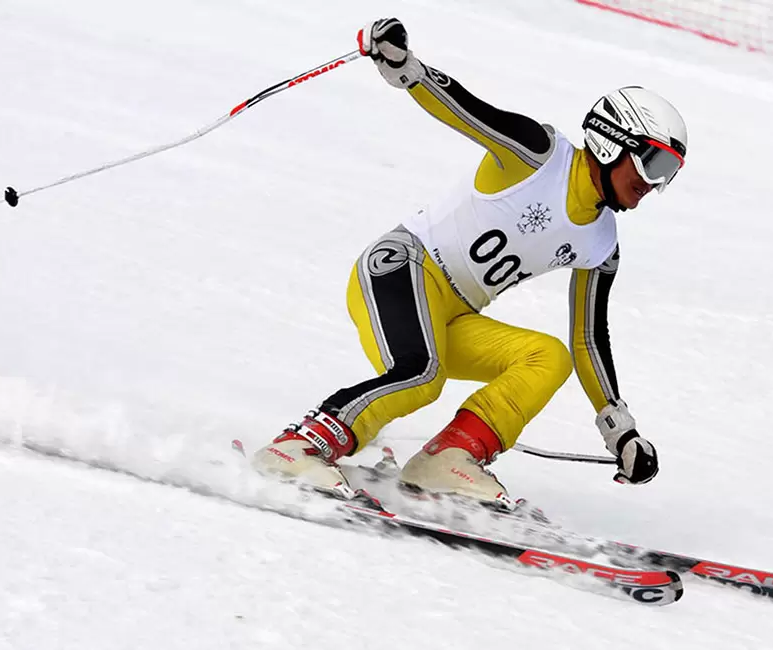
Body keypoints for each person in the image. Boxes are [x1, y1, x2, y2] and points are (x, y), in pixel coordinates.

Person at [250, 18, 688, 509]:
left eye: (669, 173)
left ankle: (447, 458)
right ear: (611, 141)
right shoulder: (539, 155)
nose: (655, 183)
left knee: (548, 356)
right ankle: (298, 447)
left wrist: (620, 430)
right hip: (401, 268)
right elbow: (466, 110)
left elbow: (588, 338)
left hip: (454, 315)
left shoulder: (602, 242)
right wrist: (406, 69)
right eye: (654, 164)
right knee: (422, 374)